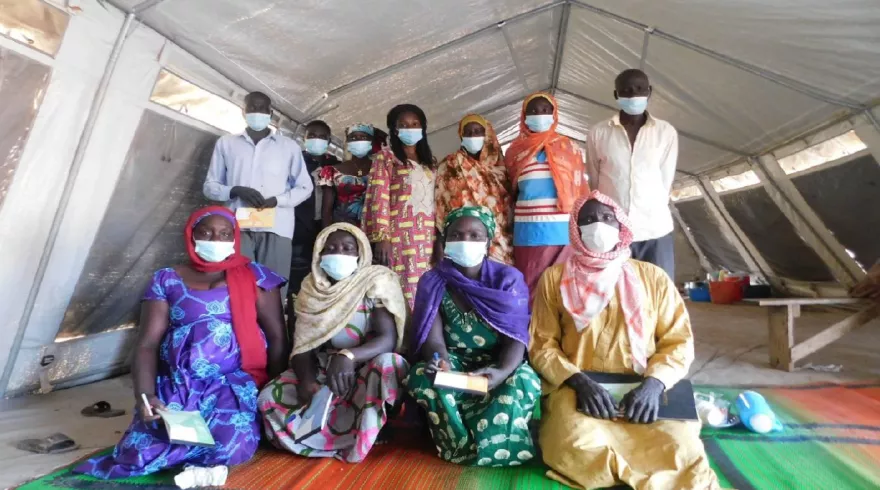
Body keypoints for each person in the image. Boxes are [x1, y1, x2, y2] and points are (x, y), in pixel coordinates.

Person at [75, 206, 288, 479]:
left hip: (233, 383)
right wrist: (146, 395)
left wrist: (272, 396)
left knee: (235, 445)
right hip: (178, 382)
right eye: (206, 233)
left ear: (235, 238)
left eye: (225, 234)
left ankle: (205, 464)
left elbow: (277, 337)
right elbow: (147, 344)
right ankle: (197, 462)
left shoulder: (256, 276)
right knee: (138, 453)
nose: (215, 240)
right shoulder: (166, 279)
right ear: (191, 235)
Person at [529, 191, 719, 490]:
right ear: (576, 231)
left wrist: (654, 385)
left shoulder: (652, 277)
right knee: (573, 445)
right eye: (588, 220)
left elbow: (679, 341)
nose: (598, 226)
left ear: (621, 226)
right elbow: (542, 344)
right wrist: (579, 382)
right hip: (580, 387)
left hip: (642, 388)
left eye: (607, 218)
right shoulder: (554, 278)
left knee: (681, 448)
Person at [258, 223, 409, 463]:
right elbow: (303, 345)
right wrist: (308, 382)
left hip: (365, 370)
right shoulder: (311, 288)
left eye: (348, 248)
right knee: (268, 398)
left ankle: (369, 429)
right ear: (319, 254)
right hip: (324, 370)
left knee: (391, 364)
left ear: (360, 253)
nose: (339, 253)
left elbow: (388, 338)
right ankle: (343, 439)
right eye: (331, 248)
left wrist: (348, 356)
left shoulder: (375, 281)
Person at [406, 207, 540, 467]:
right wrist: (441, 363)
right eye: (457, 234)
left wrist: (500, 372)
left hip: (497, 365)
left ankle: (499, 445)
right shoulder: (432, 281)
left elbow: (516, 338)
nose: (465, 241)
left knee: (524, 380)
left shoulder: (508, 280)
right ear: (445, 241)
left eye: (475, 235)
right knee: (422, 376)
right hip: (454, 364)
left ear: (488, 242)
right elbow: (433, 340)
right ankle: (460, 445)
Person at [203, 91, 314, 298]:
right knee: (236, 289)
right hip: (237, 227)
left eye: (262, 108)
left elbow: (305, 187)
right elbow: (210, 186)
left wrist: (277, 200)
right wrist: (234, 190)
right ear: (243, 112)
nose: (257, 112)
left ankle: (273, 331)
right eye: (252, 107)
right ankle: (242, 330)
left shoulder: (288, 147)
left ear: (270, 113)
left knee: (272, 292)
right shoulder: (226, 143)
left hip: (276, 227)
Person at [586, 68, 679, 278]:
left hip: (655, 229)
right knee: (616, 295)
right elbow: (594, 181)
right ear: (616, 95)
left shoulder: (665, 132)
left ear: (649, 91)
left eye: (639, 89)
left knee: (659, 294)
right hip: (612, 232)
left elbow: (666, 179)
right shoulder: (598, 133)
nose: (633, 95)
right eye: (626, 90)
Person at [505, 92, 590, 303]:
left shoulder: (570, 148)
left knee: (563, 290)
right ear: (524, 116)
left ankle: (561, 335)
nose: (539, 115)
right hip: (528, 232)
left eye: (545, 110)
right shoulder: (514, 152)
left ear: (554, 114)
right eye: (533, 111)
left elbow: (581, 190)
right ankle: (534, 334)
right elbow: (507, 192)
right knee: (531, 289)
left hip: (563, 232)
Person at [363, 104, 439, 309]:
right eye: (403, 124)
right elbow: (379, 197)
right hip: (399, 237)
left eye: (415, 124)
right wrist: (382, 238)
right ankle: (402, 334)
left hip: (428, 236)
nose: (410, 128)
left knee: (426, 287)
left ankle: (424, 333)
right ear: (394, 129)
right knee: (402, 286)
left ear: (423, 128)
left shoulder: (430, 162)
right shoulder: (386, 158)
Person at [436, 114, 514, 265]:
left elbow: (508, 204)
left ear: (487, 135)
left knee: (496, 278)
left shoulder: (500, 167)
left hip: (499, 239)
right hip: (461, 239)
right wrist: (440, 241)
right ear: (461, 135)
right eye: (468, 132)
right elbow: (440, 203)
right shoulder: (450, 164)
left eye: (478, 131)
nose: (473, 136)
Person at [290, 120, 341, 298]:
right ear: (304, 138)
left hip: (326, 225)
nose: (316, 139)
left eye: (321, 137)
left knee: (324, 272)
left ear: (329, 141)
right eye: (311, 135)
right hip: (299, 226)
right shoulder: (294, 162)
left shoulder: (336, 165)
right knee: (298, 274)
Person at [318, 123, 373, 227]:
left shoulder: (381, 170)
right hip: (342, 231)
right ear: (348, 141)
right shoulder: (332, 171)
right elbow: (326, 211)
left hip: (372, 231)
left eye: (363, 137)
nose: (358, 141)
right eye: (353, 137)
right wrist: (327, 234)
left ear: (371, 142)